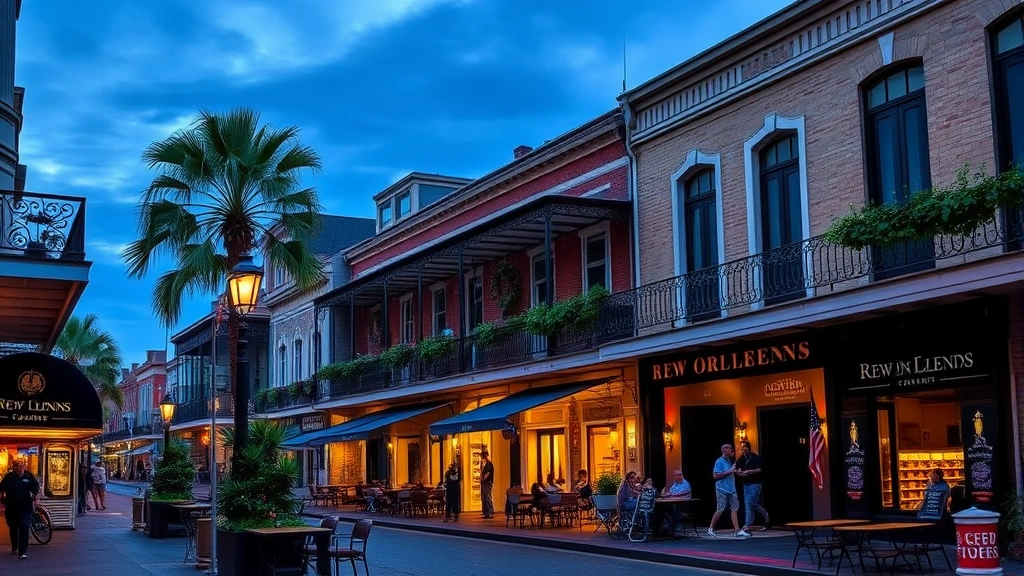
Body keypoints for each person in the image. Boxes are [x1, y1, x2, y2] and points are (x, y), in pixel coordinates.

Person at [0, 460, 40, 559]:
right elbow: (1, 489)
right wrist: (2, 501)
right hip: (12, 507)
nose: (21, 469)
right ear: (14, 468)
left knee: (24, 526)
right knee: (13, 527)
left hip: (25, 506)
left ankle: (23, 551)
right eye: (18, 467)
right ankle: (14, 545)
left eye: (22, 466)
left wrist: (35, 497)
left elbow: (35, 488)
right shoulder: (9, 477)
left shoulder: (28, 476)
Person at [708, 443, 748, 538]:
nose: (731, 450)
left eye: (731, 449)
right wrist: (730, 471)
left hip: (731, 488)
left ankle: (737, 530)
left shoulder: (729, 461)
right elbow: (716, 475)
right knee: (720, 509)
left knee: (735, 508)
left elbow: (731, 472)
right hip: (722, 488)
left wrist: (738, 472)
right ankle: (711, 528)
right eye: (729, 449)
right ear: (724, 451)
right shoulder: (719, 461)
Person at [736, 440, 770, 531]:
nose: (743, 449)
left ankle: (763, 514)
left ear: (748, 447)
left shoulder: (754, 456)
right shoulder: (742, 458)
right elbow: (737, 468)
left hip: (755, 483)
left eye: (744, 447)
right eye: (741, 447)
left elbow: (759, 469)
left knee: (750, 502)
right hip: (746, 484)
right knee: (748, 503)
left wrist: (748, 471)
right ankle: (748, 524)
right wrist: (739, 471)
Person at [479, 450, 494, 519]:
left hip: (487, 483)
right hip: (485, 483)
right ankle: (486, 512)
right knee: (485, 497)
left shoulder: (488, 465)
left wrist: (483, 478)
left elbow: (487, 474)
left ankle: (490, 512)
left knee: (488, 497)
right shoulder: (486, 464)